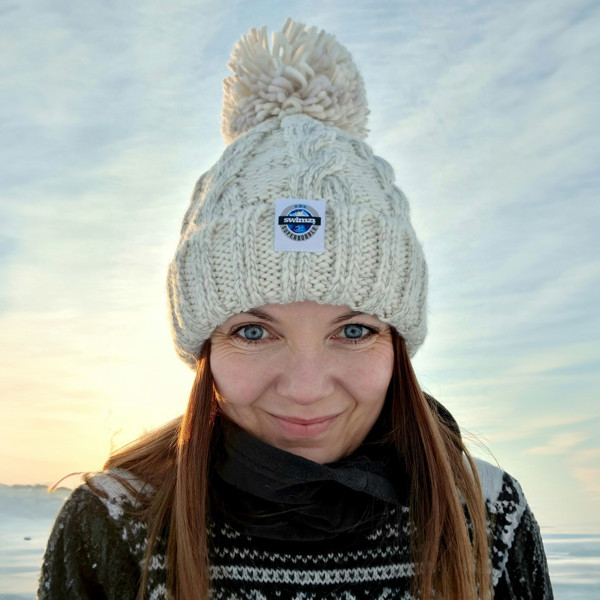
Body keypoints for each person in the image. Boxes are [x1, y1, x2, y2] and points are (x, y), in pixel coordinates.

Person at [38, 18, 553, 600]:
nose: (306, 390)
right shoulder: (114, 523)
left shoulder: (486, 519)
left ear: (397, 346)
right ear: (205, 346)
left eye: (354, 329)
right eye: (254, 331)